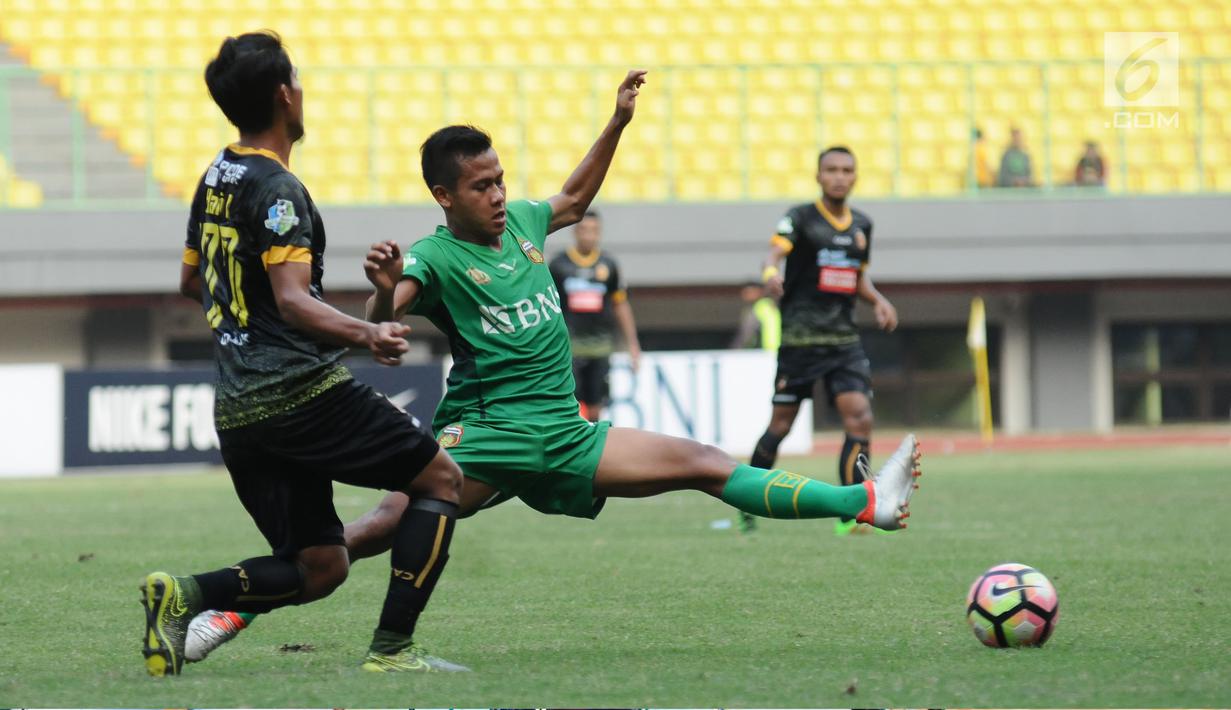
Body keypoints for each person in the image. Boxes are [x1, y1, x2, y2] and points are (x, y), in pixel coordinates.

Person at [182, 70, 923, 664]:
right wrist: (381, 290)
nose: (499, 195)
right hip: (489, 436)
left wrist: (617, 122)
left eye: (500, 179)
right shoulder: (434, 256)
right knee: (374, 528)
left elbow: (573, 195)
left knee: (703, 462)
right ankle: (232, 610)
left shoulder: (527, 224)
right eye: (481, 186)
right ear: (444, 196)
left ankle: (864, 503)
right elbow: (385, 319)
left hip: (563, 434)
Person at [143, 31, 468, 676]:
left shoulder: (216, 175)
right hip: (302, 397)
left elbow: (191, 281)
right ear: (283, 95)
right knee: (441, 480)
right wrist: (366, 333)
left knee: (321, 567)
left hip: (239, 409)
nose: (302, 89)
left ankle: (184, 595)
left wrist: (251, 324)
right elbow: (292, 301)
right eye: (296, 80)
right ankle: (393, 651)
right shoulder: (278, 188)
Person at [745, 146, 900, 537]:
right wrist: (769, 273)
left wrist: (878, 300)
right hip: (800, 340)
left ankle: (852, 514)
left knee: (860, 417)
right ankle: (745, 501)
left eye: (846, 170)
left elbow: (856, 276)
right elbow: (774, 253)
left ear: (855, 176)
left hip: (843, 341)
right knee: (780, 426)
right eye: (831, 170)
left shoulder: (862, 225)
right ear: (818, 176)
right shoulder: (800, 218)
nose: (839, 176)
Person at [548, 210, 642, 421]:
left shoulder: (608, 265)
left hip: (601, 346)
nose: (589, 235)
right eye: (584, 229)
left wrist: (632, 345)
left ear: (599, 233)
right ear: (575, 231)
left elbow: (620, 304)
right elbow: (548, 306)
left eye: (594, 230)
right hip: (569, 347)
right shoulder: (559, 265)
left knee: (596, 405)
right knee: (572, 403)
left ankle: (594, 439)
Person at [729, 280, 780, 352]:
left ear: (760, 291)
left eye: (749, 292)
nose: (745, 295)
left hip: (767, 352)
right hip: (776, 350)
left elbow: (746, 334)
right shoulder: (771, 305)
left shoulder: (760, 307)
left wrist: (734, 351)